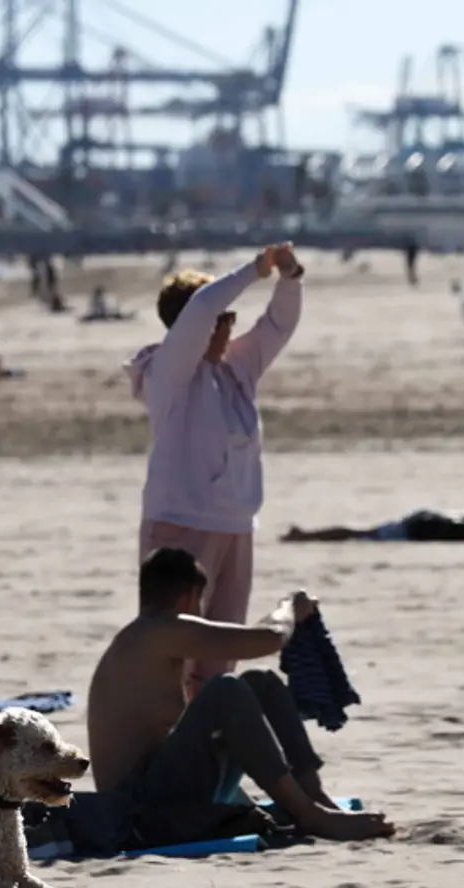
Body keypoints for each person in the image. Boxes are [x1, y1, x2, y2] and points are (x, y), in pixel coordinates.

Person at [85, 548, 393, 841]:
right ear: (189, 597)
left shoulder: (139, 640)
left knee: (261, 683)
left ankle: (313, 796)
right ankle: (308, 813)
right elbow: (270, 638)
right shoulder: (156, 631)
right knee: (225, 689)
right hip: (134, 813)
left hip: (153, 795)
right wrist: (290, 606)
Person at [126, 241, 304, 697]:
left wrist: (289, 277)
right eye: (224, 319)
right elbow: (204, 305)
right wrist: (255, 268)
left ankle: (210, 752)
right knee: (171, 655)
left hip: (235, 526)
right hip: (180, 526)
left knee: (219, 659)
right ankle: (162, 752)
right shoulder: (167, 371)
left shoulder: (235, 369)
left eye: (231, 319)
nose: (228, 327)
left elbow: (278, 325)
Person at [285, 499, 464, 543]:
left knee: (363, 534)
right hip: (431, 525)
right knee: (362, 536)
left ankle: (306, 535)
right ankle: (305, 536)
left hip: (430, 522)